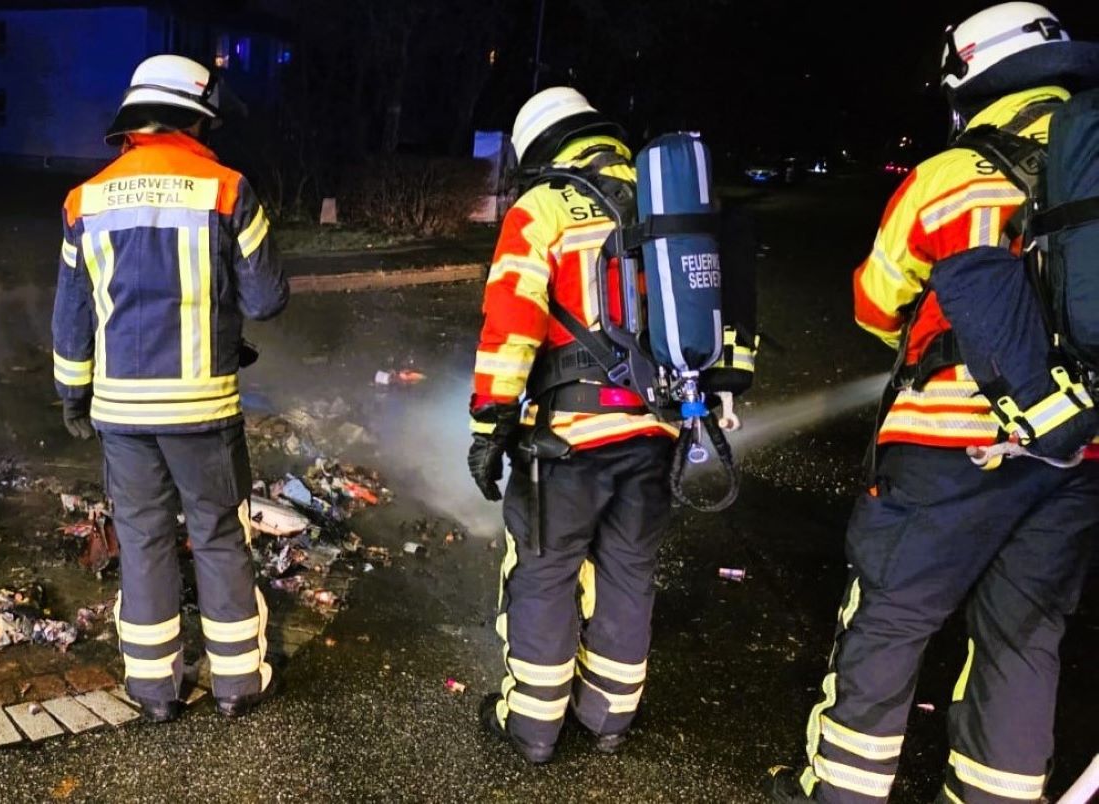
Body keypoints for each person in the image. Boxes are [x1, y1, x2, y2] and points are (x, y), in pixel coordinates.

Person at [767, 4, 1099, 801]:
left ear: (970, 79)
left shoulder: (955, 172)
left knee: (889, 617)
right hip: (1078, 447)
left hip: (950, 448)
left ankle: (841, 793)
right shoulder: (1088, 166)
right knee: (1023, 640)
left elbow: (876, 304)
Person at [466, 87, 756, 764]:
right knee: (628, 569)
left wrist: (490, 424)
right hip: (657, 433)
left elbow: (511, 327)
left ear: (542, 147)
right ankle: (607, 717)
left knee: (544, 570)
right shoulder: (672, 207)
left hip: (566, 440)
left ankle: (533, 728)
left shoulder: (544, 209)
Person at [51, 55, 288, 723]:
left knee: (145, 538)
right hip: (202, 411)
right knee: (217, 537)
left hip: (121, 414)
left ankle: (155, 691)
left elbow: (71, 320)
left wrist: (73, 394)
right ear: (195, 117)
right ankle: (238, 684)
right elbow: (267, 300)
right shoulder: (225, 189)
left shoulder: (84, 200)